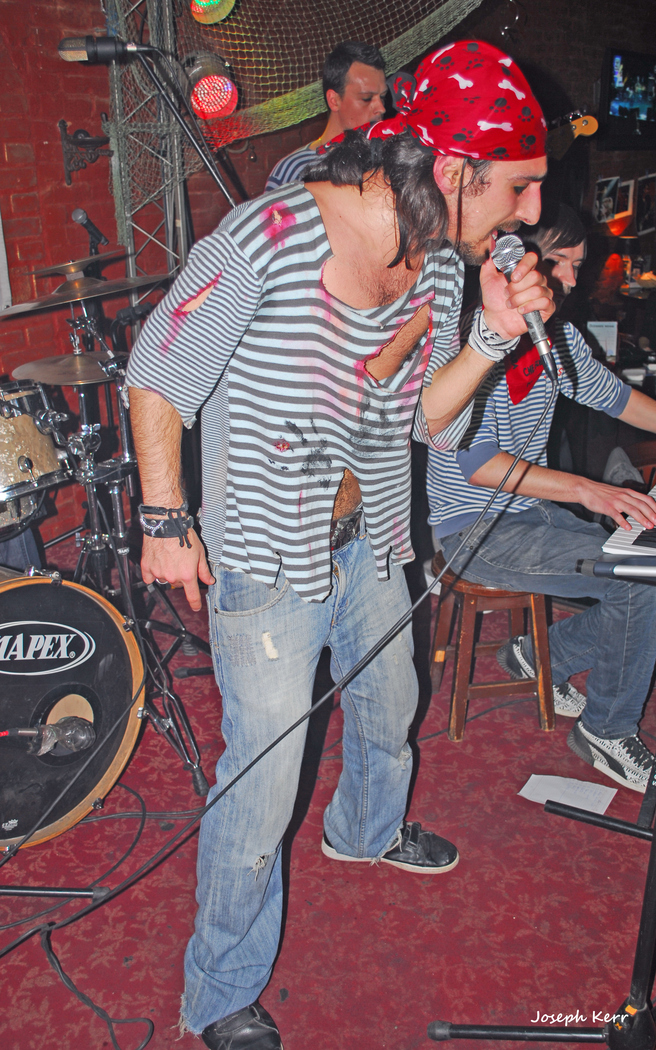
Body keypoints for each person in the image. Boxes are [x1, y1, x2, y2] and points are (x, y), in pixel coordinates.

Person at [126, 40, 553, 1050]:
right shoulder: (269, 236)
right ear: (454, 171)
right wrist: (163, 519)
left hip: (373, 539)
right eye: (520, 187)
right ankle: (218, 993)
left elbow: (429, 421)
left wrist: (492, 336)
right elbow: (156, 370)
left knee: (390, 705)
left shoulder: (437, 263)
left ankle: (364, 830)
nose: (531, 213)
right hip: (270, 562)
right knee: (260, 785)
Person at [427, 203, 656, 795]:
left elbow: (618, 398)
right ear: (519, 264)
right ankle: (606, 730)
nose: (574, 280)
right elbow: (479, 466)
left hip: (533, 513)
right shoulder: (474, 347)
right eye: (565, 264)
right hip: (474, 530)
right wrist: (586, 489)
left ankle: (537, 654)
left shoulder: (559, 338)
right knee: (640, 582)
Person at [265, 40, 387, 191]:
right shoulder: (293, 170)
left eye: (382, 97)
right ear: (334, 101)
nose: (381, 108)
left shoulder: (388, 159)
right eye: (366, 98)